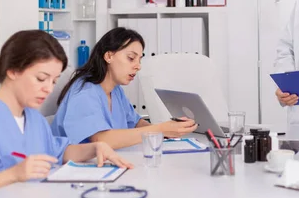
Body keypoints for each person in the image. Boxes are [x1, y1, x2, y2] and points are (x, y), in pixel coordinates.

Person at [0, 30, 132, 198]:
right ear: (13, 70)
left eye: (53, 81)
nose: (48, 89)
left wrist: (94, 148)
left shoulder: (33, 119)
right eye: (41, 78)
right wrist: (14, 174)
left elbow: (59, 151)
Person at [52, 27, 197, 148]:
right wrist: (160, 129)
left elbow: (135, 123)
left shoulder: (115, 90)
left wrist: (167, 131)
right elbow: (101, 140)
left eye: (140, 59)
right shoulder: (85, 92)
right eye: (131, 58)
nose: (138, 66)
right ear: (108, 56)